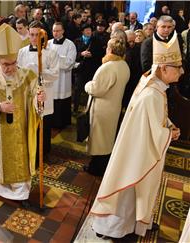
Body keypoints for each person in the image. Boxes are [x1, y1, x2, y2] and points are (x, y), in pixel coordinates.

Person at [90, 31, 183, 239]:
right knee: (130, 190)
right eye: (177, 67)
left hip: (135, 148)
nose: (182, 71)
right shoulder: (152, 94)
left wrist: (167, 125)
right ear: (164, 68)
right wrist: (170, 134)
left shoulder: (151, 84)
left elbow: (154, 119)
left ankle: (134, 224)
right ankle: (118, 229)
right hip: (138, 153)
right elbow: (153, 130)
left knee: (132, 190)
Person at [0, 23, 45, 206]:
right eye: (6, 64)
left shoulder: (27, 76)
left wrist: (39, 98)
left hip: (21, 130)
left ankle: (21, 193)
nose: (10, 68)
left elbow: (36, 94)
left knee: (20, 160)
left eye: (13, 63)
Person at [83, 38, 130, 176]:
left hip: (102, 109)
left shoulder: (108, 67)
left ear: (109, 50)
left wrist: (88, 84)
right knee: (107, 139)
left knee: (100, 140)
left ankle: (96, 168)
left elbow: (97, 89)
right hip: (113, 107)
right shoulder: (123, 65)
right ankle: (101, 165)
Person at [18, 20, 59, 161]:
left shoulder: (51, 53)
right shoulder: (22, 52)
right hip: (28, 93)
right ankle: (29, 149)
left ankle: (44, 151)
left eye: (37, 35)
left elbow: (55, 74)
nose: (34, 38)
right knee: (29, 122)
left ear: (42, 35)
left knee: (44, 124)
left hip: (44, 92)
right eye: (31, 34)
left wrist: (40, 71)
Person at [47, 22, 76, 129]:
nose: (55, 33)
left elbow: (70, 62)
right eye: (54, 31)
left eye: (58, 30)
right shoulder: (48, 43)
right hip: (51, 78)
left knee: (62, 100)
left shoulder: (70, 44)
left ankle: (63, 123)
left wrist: (56, 58)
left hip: (63, 78)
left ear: (63, 31)